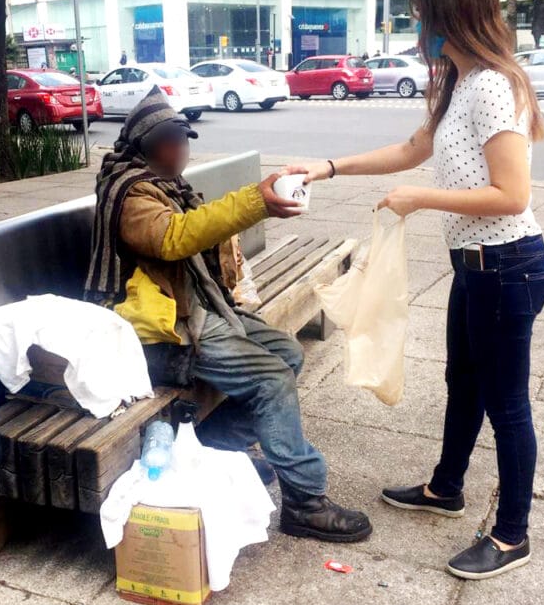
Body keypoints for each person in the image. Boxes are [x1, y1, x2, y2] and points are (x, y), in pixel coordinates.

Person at [286, 0, 544, 579]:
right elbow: (411, 148)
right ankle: (445, 487)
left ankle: (512, 534)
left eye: (422, 16)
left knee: (507, 405)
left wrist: (420, 198)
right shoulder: (461, 82)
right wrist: (327, 168)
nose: (418, 30)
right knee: (464, 382)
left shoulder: (493, 85)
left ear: (449, 15)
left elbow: (513, 195)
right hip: (476, 267)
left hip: (506, 267)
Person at [84, 86, 372, 543]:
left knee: (287, 354)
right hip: (156, 335)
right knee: (271, 378)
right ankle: (305, 501)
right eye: (173, 140)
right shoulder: (131, 192)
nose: (182, 149)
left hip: (192, 310)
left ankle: (213, 451)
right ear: (146, 145)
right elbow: (174, 238)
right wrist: (255, 202)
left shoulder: (165, 185)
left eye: (185, 139)